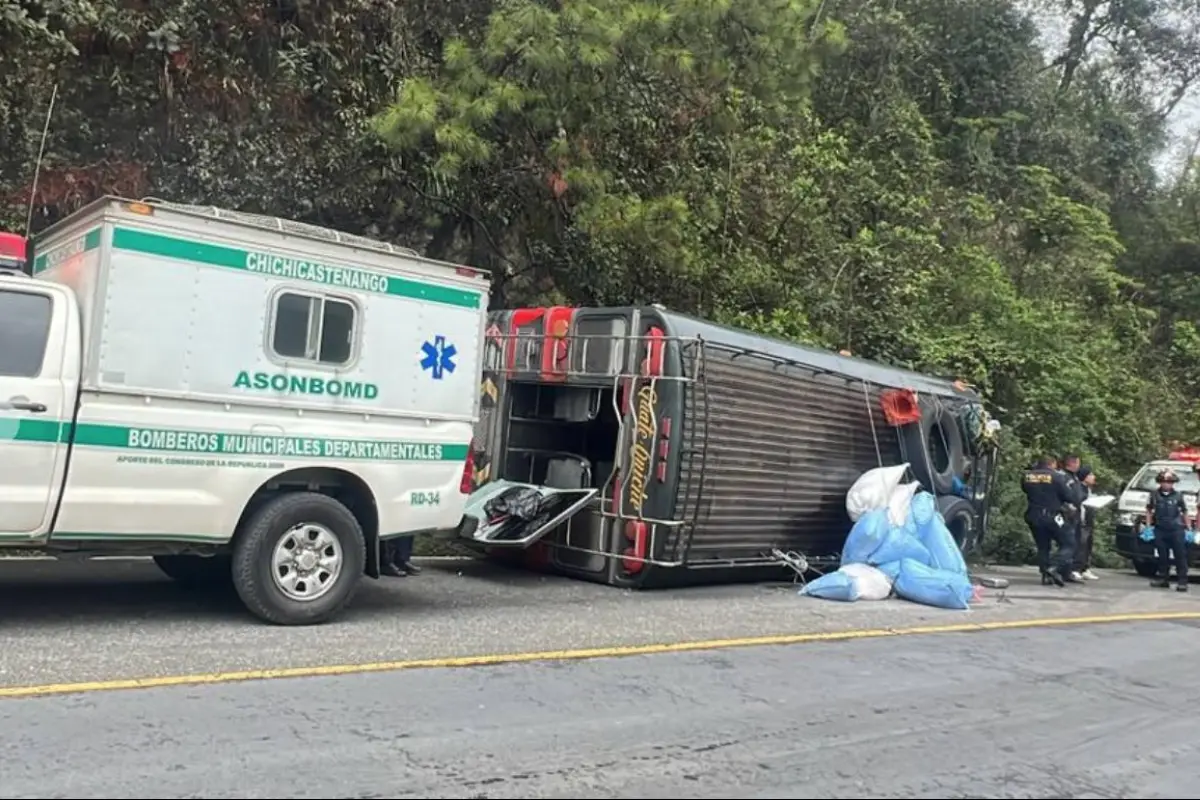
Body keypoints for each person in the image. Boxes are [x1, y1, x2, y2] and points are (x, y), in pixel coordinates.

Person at [1021, 456, 1076, 586]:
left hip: (1033, 515)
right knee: (1069, 543)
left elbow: (1025, 490)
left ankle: (1046, 576)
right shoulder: (1057, 477)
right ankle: (1054, 566)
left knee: (1043, 546)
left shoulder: (1027, 476)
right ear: (1052, 464)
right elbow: (1069, 496)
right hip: (1052, 515)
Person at [1146, 468, 1189, 592]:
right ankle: (1163, 579)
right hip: (1160, 528)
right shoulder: (1154, 495)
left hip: (1176, 529)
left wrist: (1189, 528)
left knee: (1180, 555)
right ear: (1160, 482)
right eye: (1164, 481)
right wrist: (1148, 527)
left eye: (1169, 482)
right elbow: (1149, 511)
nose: (1167, 484)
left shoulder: (1178, 495)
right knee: (1162, 555)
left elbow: (1184, 511)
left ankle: (1182, 582)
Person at [1058, 454, 1086, 581]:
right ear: (1071, 463)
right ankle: (1060, 569)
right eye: (1077, 463)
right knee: (1068, 543)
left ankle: (1067, 571)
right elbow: (1067, 496)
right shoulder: (1064, 477)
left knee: (1074, 543)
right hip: (1067, 514)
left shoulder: (1073, 477)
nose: (1078, 466)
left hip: (1075, 514)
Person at [1073, 466, 1099, 581]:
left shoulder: (1088, 489)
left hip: (1089, 520)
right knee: (1081, 545)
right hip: (1081, 521)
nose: (1094, 477)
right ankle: (1076, 568)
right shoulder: (1079, 488)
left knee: (1088, 544)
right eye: (1091, 475)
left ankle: (1085, 567)